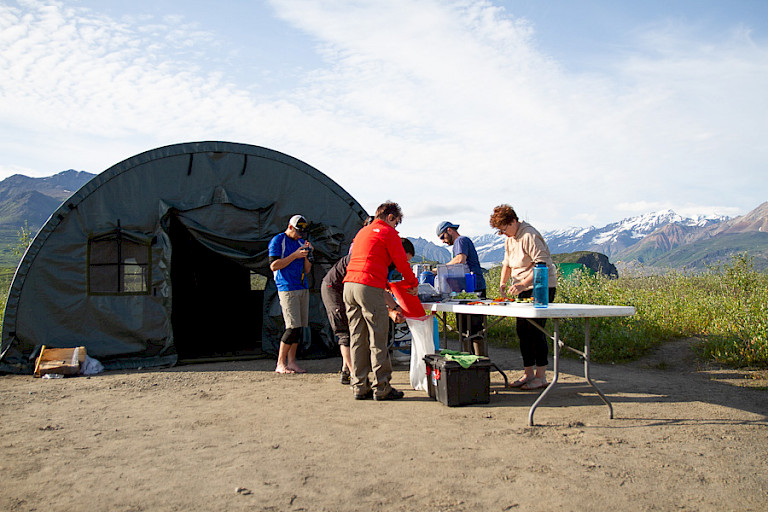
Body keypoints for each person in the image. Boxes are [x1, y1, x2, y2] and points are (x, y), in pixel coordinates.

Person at [343, 202, 418, 401]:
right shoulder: (388, 232)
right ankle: (382, 387)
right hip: (368, 286)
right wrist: (413, 283)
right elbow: (402, 262)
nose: (396, 227)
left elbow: (366, 260)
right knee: (378, 337)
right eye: (396, 222)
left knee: (357, 337)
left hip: (349, 285)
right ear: (390, 217)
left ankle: (359, 386)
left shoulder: (362, 232)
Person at [321, 239, 413, 385]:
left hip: (353, 288)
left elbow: (378, 291)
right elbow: (374, 292)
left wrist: (394, 308)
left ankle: (347, 371)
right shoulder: (374, 258)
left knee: (354, 331)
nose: (401, 265)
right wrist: (394, 309)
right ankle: (355, 377)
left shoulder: (385, 261)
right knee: (345, 333)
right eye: (403, 260)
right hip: (334, 288)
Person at [489, 204, 557, 390]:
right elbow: (507, 264)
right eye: (500, 231)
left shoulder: (529, 235)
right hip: (522, 288)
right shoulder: (510, 239)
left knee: (536, 330)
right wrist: (503, 283)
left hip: (540, 287)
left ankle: (541, 376)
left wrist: (523, 284)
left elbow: (542, 265)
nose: (503, 233)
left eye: (504, 229)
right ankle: (528, 373)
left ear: (513, 221)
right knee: (523, 331)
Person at [268, 214, 314, 374]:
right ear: (290, 227)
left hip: (302, 286)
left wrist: (308, 255)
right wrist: (294, 255)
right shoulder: (278, 240)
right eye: (297, 232)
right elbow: (274, 265)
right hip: (287, 288)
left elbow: (307, 270)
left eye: (302, 233)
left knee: (299, 328)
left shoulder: (301, 242)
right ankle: (280, 363)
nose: (299, 236)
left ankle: (292, 362)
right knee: (292, 327)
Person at [436, 221, 487, 354]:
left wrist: (440, 269)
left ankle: (479, 359)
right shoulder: (459, 243)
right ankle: (470, 357)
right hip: (467, 289)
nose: (443, 241)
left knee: (473, 327)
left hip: (474, 288)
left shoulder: (461, 240)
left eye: (442, 237)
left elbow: (460, 259)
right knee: (465, 327)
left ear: (449, 230)